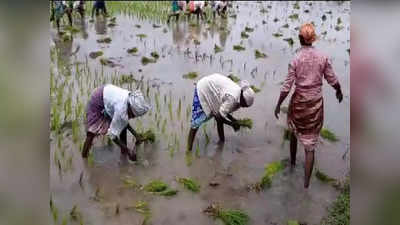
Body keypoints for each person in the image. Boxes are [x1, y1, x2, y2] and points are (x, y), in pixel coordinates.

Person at [274, 23, 343, 188]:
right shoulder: (322, 57)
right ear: (313, 40)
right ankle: (306, 186)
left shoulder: (296, 59)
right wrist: (338, 90)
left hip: (299, 103)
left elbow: (286, 87)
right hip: (315, 104)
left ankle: (291, 163)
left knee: (293, 131)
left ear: (299, 39)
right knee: (310, 145)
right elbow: (332, 79)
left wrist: (278, 105)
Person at [187, 73, 255, 151]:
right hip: (204, 88)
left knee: (220, 116)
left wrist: (234, 120)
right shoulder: (233, 98)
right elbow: (219, 117)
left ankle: (221, 142)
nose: (244, 107)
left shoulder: (238, 95)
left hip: (213, 88)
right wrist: (232, 124)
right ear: (242, 99)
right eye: (245, 105)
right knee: (196, 122)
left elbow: (224, 112)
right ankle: (188, 151)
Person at [82, 84, 150, 161]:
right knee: (92, 131)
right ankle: (84, 157)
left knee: (122, 124)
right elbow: (112, 135)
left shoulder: (130, 100)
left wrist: (136, 135)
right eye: (133, 115)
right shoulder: (121, 109)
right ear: (130, 108)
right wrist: (129, 151)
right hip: (97, 99)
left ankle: (123, 153)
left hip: (107, 95)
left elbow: (123, 122)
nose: (133, 117)